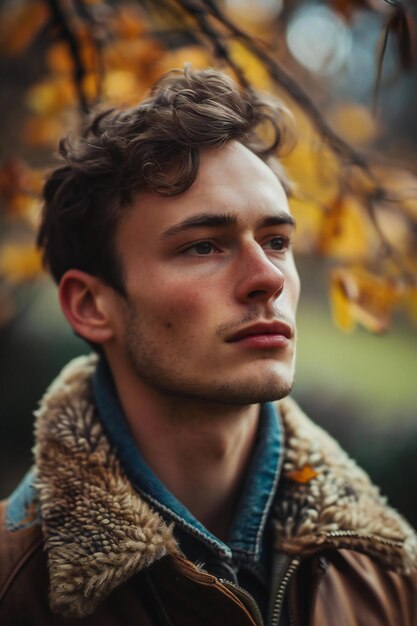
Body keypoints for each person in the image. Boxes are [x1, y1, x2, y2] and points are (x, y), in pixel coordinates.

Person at [0, 67, 416, 626]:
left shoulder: (388, 574)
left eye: (276, 241)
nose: (266, 277)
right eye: (202, 247)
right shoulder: (17, 587)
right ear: (91, 306)